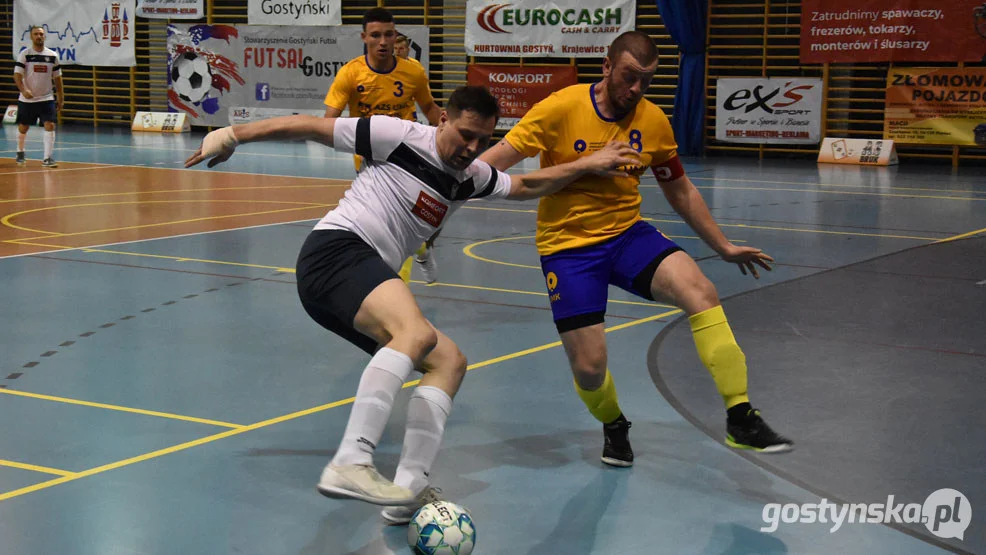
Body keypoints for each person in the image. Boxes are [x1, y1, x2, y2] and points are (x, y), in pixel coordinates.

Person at [186, 86, 638, 521]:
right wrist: (231, 135)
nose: (472, 148)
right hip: (337, 251)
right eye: (465, 134)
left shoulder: (471, 178)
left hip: (354, 279)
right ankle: (352, 459)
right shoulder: (397, 136)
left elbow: (525, 185)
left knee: (449, 362)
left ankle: (407, 490)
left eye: (484, 140)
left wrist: (588, 164)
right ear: (443, 118)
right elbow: (308, 126)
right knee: (417, 333)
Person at [479, 31, 793, 467]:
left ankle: (740, 417)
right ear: (606, 67)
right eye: (629, 77)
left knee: (700, 291)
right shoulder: (559, 108)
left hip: (628, 236)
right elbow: (489, 168)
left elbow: (679, 188)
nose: (636, 90)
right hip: (568, 249)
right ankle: (614, 424)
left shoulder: (653, 121)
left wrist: (722, 246)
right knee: (590, 369)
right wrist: (586, 164)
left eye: (646, 80)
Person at [323, 8, 441, 284]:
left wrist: (449, 135)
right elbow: (329, 120)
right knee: (395, 223)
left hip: (408, 154)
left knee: (398, 222)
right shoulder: (350, 74)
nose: (383, 42)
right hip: (369, 158)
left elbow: (430, 108)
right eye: (376, 35)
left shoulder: (413, 72)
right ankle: (421, 250)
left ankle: (399, 287)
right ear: (364, 37)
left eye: (389, 34)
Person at [13, 26, 63, 168]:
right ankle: (20, 151)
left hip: (46, 98)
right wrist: (23, 90)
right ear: (31, 37)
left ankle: (47, 158)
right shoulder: (25, 54)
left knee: (50, 124)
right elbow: (17, 75)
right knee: (23, 127)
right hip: (28, 99)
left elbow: (58, 78)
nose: (39, 36)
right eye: (36, 34)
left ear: (44, 36)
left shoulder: (53, 55)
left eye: (41, 34)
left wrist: (61, 98)